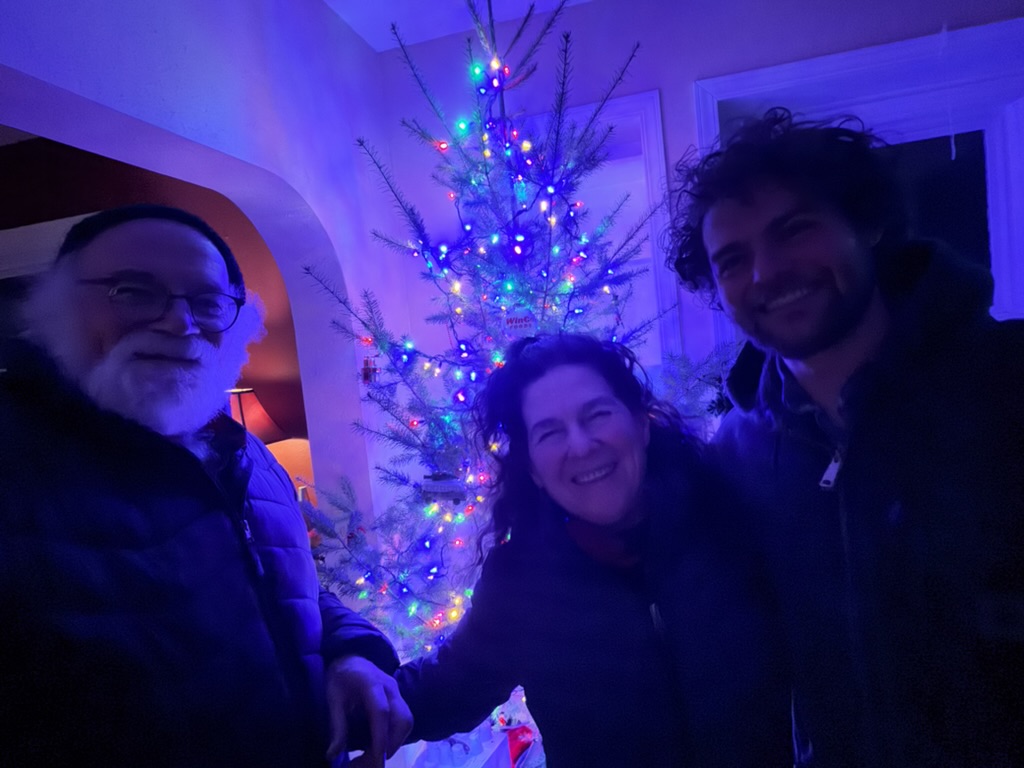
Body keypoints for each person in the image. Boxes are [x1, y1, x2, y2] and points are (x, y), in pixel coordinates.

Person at [666, 108, 1024, 766]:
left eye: (794, 230)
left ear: (868, 223)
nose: (766, 272)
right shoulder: (739, 457)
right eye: (733, 260)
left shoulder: (1009, 382)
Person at [0, 204, 412, 767]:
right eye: (132, 292)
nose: (179, 322)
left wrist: (349, 651)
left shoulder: (247, 452)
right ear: (59, 305)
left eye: (208, 302)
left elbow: (288, 589)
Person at [394, 333, 790, 767]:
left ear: (641, 423)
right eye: (550, 432)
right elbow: (444, 688)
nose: (581, 446)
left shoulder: (729, 516)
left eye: (597, 415)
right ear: (533, 469)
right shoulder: (522, 585)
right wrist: (352, 675)